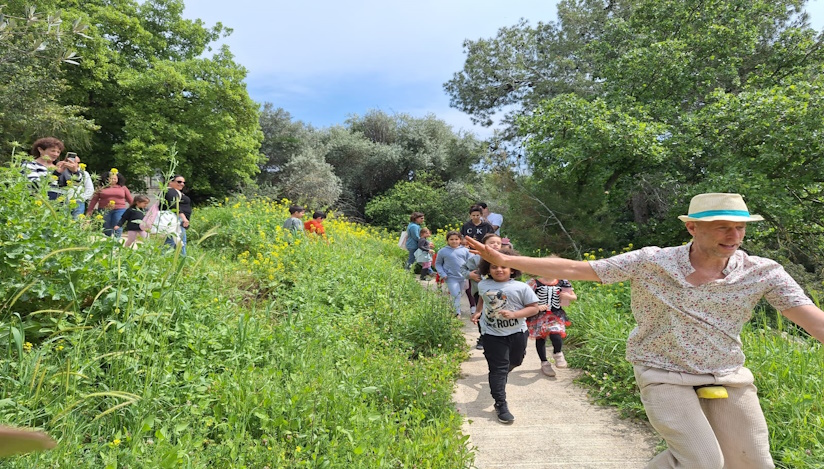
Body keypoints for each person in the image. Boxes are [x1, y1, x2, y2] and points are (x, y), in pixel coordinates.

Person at [466, 193, 824, 468]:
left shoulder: (763, 271)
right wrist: (506, 260)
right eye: (721, 225)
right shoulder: (652, 261)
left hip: (727, 373)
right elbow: (577, 268)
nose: (734, 235)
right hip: (663, 371)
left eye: (741, 226)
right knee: (702, 462)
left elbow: (810, 318)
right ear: (692, 227)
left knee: (754, 462)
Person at [470, 248, 539, 424]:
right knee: (498, 369)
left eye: (503, 266)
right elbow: (482, 298)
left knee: (516, 361)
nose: (499, 270)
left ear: (512, 269)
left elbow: (534, 307)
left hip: (517, 332)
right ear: (488, 269)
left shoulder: (522, 287)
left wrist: (515, 314)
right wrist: (478, 312)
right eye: (494, 267)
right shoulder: (484, 284)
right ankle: (500, 403)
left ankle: (501, 374)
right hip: (492, 334)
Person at [526, 276, 577, 377]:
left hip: (555, 314)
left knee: (556, 334)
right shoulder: (533, 282)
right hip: (539, 314)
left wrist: (568, 297)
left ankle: (558, 353)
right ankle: (544, 362)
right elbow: (524, 297)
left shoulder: (563, 282)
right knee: (541, 338)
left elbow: (574, 296)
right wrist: (536, 307)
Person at [462, 233, 503, 350]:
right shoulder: (476, 258)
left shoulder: (504, 257)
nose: (495, 245)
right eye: (492, 242)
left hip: (499, 292)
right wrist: (470, 275)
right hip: (479, 291)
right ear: (484, 245)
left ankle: (498, 336)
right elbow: (463, 269)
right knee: (481, 313)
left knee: (497, 313)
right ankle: (483, 337)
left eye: (498, 243)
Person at [435, 231, 473, 317]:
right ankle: (457, 313)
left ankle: (454, 308)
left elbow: (471, 262)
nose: (454, 241)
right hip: (450, 277)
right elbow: (438, 264)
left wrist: (469, 273)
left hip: (462, 277)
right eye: (451, 239)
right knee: (455, 294)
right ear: (447, 240)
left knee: (459, 294)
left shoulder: (465, 251)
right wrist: (442, 273)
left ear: (460, 240)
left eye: (456, 239)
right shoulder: (442, 251)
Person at [86, 170, 133, 237]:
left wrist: (135, 209)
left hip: (119, 209)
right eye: (111, 178)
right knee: (106, 226)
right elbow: (94, 200)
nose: (113, 180)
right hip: (104, 210)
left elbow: (130, 200)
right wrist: (90, 210)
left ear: (118, 179)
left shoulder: (123, 188)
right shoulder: (101, 188)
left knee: (118, 224)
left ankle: (116, 241)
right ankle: (108, 240)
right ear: (107, 179)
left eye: (115, 178)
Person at [162, 175, 192, 255]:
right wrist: (184, 218)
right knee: (176, 242)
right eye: (179, 181)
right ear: (170, 182)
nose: (182, 184)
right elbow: (174, 205)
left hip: (178, 220)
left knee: (175, 242)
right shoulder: (170, 191)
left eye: (183, 182)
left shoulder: (175, 192)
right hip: (176, 220)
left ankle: (180, 261)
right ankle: (182, 261)